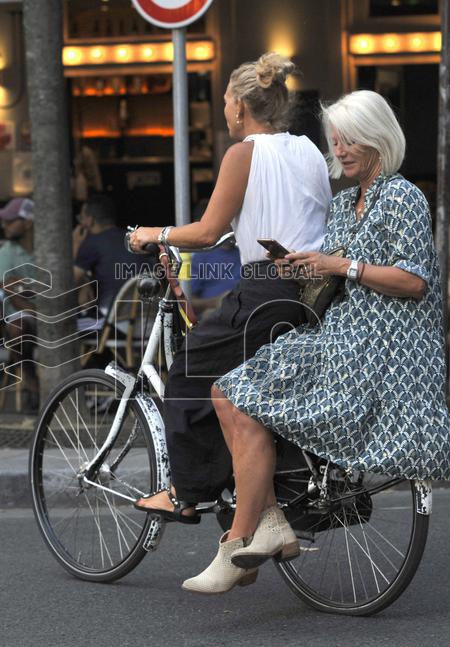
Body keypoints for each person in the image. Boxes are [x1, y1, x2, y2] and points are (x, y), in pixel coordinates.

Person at [195, 90, 450, 594]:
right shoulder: (341, 203)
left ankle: (237, 544)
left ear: (380, 137)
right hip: (337, 333)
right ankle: (267, 521)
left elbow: (415, 282)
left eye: (351, 139)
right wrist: (304, 262)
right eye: (336, 141)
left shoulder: (403, 197)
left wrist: (342, 265)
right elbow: (333, 270)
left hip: (385, 345)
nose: (342, 149)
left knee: (237, 389)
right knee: (228, 392)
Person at [127, 52, 331, 523]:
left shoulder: (243, 154)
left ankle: (186, 491)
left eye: (224, 102)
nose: (224, 111)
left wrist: (152, 235)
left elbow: (205, 232)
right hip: (313, 291)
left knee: (188, 371)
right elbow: (268, 221)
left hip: (265, 288)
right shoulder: (307, 150)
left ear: (240, 106)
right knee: (242, 386)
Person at [73, 193, 153, 320]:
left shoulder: (92, 242)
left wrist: (75, 245)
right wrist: (85, 284)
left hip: (112, 323)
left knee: (69, 330)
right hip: (146, 322)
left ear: (90, 220)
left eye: (81, 218)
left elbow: (68, 284)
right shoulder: (134, 239)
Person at [0, 196, 41, 409]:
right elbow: (13, 294)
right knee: (18, 328)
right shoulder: (5, 253)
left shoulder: (50, 249)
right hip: (24, 314)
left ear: (28, 223)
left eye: (11, 220)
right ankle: (32, 384)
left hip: (58, 310)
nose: (4, 225)